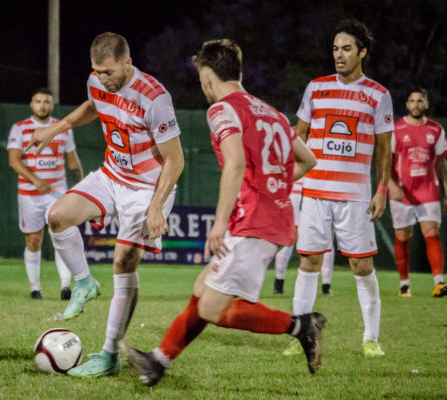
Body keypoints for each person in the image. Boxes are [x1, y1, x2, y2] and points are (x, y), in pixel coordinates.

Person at [118, 39, 323, 387]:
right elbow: (308, 160)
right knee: (202, 292)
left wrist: (219, 222)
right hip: (272, 219)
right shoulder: (269, 111)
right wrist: (274, 187)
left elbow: (236, 165)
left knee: (213, 308)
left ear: (209, 77)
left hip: (253, 222)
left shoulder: (222, 110)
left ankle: (302, 326)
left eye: (201, 78)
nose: (203, 87)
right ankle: (158, 362)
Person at [25, 32, 184, 377]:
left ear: (128, 62)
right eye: (96, 71)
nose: (102, 79)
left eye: (108, 72)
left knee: (123, 262)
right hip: (113, 176)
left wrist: (156, 207)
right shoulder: (97, 82)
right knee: (58, 217)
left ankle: (109, 355)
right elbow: (94, 106)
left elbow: (175, 159)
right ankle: (83, 282)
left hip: (147, 188)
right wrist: (57, 129)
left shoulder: (154, 97)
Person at [285, 19, 393, 358]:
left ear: (362, 52)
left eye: (346, 49)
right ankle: (300, 335)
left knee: (362, 267)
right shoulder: (315, 88)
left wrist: (381, 191)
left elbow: (384, 148)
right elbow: (299, 136)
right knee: (309, 262)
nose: (339, 55)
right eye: (335, 49)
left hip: (355, 195)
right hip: (315, 191)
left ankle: (371, 339)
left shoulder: (378, 95)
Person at [7, 88, 84, 300]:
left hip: (57, 192)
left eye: (46, 102)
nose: (42, 105)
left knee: (61, 236)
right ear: (31, 104)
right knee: (34, 240)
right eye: (37, 101)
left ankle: (65, 287)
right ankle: (35, 288)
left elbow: (72, 161)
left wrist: (82, 187)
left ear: (52, 105)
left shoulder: (63, 129)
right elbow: (14, 160)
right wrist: (36, 180)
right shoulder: (20, 129)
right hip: (29, 194)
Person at [389, 88, 447, 297]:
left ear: (426, 104)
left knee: (432, 233)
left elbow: (442, 163)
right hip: (402, 191)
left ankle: (439, 282)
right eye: (412, 101)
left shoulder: (436, 129)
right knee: (403, 237)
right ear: (407, 104)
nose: (415, 104)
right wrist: (390, 184)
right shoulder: (396, 129)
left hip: (428, 189)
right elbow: (384, 161)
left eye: (420, 101)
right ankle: (404, 284)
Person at [273, 178, 336, 295]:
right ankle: (326, 286)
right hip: (311, 190)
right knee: (290, 238)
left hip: (308, 190)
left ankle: (278, 284)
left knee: (289, 238)